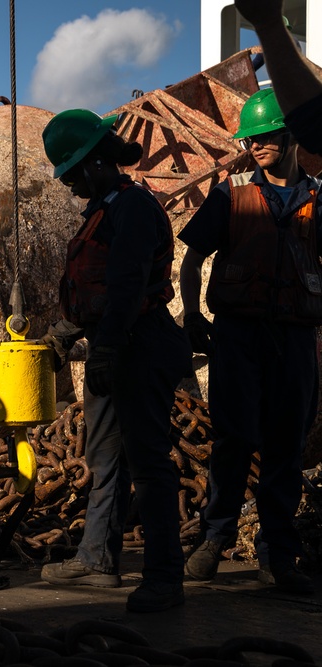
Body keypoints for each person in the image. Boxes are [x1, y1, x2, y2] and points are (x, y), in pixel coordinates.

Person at [38, 109, 192, 612]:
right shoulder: (102, 210)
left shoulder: (133, 209)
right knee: (105, 457)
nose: (72, 186)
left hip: (140, 345)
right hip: (112, 343)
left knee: (146, 463)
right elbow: (94, 289)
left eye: (75, 173)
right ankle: (97, 558)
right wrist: (63, 334)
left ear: (99, 161)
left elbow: (127, 285)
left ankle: (165, 576)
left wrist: (104, 347)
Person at [178, 88, 318, 595]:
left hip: (298, 337)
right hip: (238, 335)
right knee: (232, 441)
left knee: (286, 445)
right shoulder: (229, 193)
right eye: (251, 138)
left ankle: (277, 554)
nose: (256, 145)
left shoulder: (318, 198)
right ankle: (214, 541)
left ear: (291, 136)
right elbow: (193, 259)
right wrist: (192, 314)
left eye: (265, 136)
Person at [235, 0, 322, 154]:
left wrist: (267, 25)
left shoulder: (278, 45)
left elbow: (258, 62)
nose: (256, 146)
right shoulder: (294, 43)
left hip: (283, 90)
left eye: (265, 138)